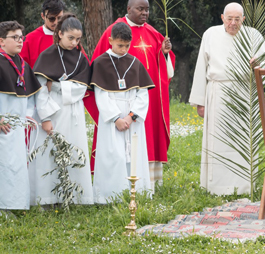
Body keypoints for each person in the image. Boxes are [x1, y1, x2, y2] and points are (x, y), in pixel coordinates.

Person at [92, 0, 175, 188]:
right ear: (129, 9)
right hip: (114, 101)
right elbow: (100, 69)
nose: (145, 13)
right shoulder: (114, 31)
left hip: (144, 99)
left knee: (142, 139)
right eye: (140, 9)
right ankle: (115, 185)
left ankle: (146, 181)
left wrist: (164, 53)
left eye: (147, 9)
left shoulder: (153, 33)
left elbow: (165, 69)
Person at [189, 3, 265, 195]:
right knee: (218, 139)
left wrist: (257, 63)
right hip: (218, 92)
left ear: (243, 19)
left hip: (244, 93)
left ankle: (243, 186)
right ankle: (215, 187)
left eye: (237, 19)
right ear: (222, 17)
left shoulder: (253, 35)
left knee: (242, 138)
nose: (233, 23)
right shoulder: (211, 34)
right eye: (229, 19)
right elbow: (201, 66)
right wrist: (199, 101)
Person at [32, 13, 93, 205]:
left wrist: (57, 85)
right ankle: (48, 198)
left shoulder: (81, 59)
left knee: (74, 149)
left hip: (72, 110)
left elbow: (81, 88)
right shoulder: (47, 56)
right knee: (49, 152)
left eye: (78, 39)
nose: (75, 43)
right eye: (71, 38)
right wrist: (45, 117)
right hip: (52, 111)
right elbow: (41, 89)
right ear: (59, 34)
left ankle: (74, 197)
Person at [92, 23, 154, 202]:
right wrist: (116, 118)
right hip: (112, 119)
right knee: (113, 155)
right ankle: (109, 196)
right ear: (110, 41)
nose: (123, 49)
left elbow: (142, 94)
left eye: (127, 45)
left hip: (132, 119)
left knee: (134, 155)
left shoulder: (135, 63)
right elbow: (101, 95)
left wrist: (131, 116)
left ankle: (137, 193)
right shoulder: (100, 63)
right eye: (120, 45)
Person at [0, 21, 41, 211]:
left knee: (16, 166)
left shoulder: (22, 65)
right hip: (3, 125)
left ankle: (17, 204)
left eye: (21, 37)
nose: (19, 41)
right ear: (1, 41)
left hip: (17, 127)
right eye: (14, 37)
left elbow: (31, 96)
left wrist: (27, 116)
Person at [20, 0, 64, 67]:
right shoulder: (29, 40)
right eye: (51, 18)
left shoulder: (70, 37)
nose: (56, 22)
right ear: (43, 16)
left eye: (60, 18)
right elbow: (21, 68)